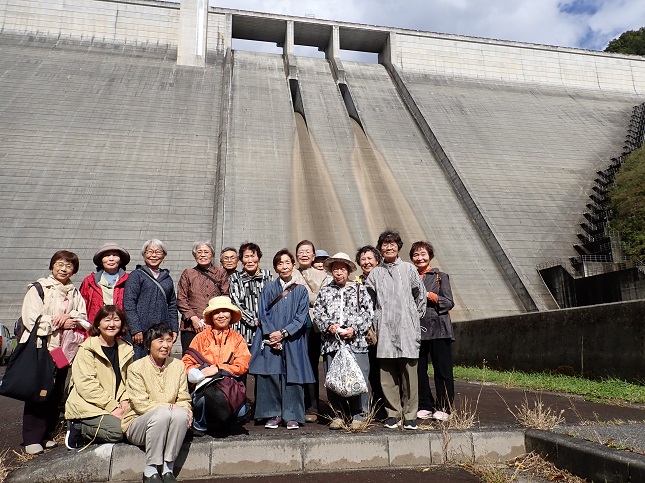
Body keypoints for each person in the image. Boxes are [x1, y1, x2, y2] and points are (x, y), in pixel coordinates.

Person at [19, 250, 88, 455]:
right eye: (59, 264)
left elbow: (83, 316)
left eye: (69, 266)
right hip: (43, 346)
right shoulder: (39, 288)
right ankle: (32, 437)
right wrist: (55, 320)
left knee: (56, 389)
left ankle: (47, 434)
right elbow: (31, 319)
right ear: (51, 266)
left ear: (74, 270)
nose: (63, 269)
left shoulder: (74, 292)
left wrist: (70, 317)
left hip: (61, 348)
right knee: (38, 390)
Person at [365, 230, 425, 430]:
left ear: (399, 246)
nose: (389, 247)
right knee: (387, 373)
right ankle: (393, 413)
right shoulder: (375, 273)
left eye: (392, 244)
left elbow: (420, 296)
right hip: (385, 329)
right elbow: (369, 301)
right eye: (385, 244)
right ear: (380, 248)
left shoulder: (409, 269)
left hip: (407, 327)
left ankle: (410, 414)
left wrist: (413, 317)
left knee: (410, 373)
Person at [249, 249, 314, 430]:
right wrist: (272, 335)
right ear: (275, 267)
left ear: (293, 265)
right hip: (270, 339)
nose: (284, 266)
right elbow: (263, 313)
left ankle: (292, 415)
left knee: (292, 376)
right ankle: (272, 413)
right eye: (280, 263)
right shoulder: (269, 287)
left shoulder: (301, 291)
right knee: (269, 374)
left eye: (287, 263)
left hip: (293, 339)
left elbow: (301, 317)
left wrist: (283, 333)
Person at [122, 324, 192, 483]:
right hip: (139, 424)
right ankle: (151, 469)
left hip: (169, 421)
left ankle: (168, 468)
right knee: (163, 413)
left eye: (169, 340)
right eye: (160, 341)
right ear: (148, 345)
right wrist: (168, 407)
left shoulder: (178, 365)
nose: (165, 345)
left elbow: (183, 397)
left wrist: (187, 411)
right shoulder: (136, 368)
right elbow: (140, 405)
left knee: (181, 413)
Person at [313, 253, 373, 430]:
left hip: (356, 342)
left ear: (348, 270)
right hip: (332, 343)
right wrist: (330, 326)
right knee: (334, 379)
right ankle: (337, 415)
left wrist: (353, 329)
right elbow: (318, 314)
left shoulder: (359, 289)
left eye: (342, 268)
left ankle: (360, 415)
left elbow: (368, 313)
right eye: (335, 268)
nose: (338, 272)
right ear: (331, 271)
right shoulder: (325, 291)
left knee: (359, 378)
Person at [65, 305, 134, 449]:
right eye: (107, 320)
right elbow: (87, 386)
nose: (112, 324)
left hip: (115, 404)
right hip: (89, 405)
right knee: (118, 432)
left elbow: (130, 380)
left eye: (116, 320)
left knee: (136, 426)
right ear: (98, 323)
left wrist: (125, 399)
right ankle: (78, 427)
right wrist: (113, 407)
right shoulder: (86, 349)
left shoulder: (126, 349)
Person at [182, 296, 251, 435]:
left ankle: (225, 423)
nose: (221, 315)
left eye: (225, 311)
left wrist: (218, 369)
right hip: (204, 386)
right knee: (201, 399)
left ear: (231, 315)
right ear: (211, 316)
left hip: (228, 387)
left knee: (241, 410)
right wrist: (200, 372)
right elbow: (186, 362)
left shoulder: (238, 339)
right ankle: (201, 424)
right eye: (216, 312)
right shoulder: (200, 338)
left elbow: (243, 364)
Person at [410, 241, 456, 422]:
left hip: (439, 329)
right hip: (417, 330)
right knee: (419, 370)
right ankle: (425, 405)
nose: (419, 258)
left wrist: (431, 296)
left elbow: (448, 302)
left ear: (430, 256)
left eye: (423, 254)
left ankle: (444, 406)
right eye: (416, 255)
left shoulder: (440, 276)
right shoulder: (410, 276)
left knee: (442, 370)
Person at [123, 239, 178, 360]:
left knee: (160, 364)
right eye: (150, 252)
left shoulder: (167, 278)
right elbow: (129, 303)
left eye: (158, 252)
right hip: (141, 333)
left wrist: (174, 328)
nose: (154, 255)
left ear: (163, 255)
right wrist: (135, 328)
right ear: (144, 255)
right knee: (139, 364)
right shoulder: (136, 275)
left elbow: (172, 305)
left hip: (161, 332)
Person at [295, 240, 329, 423]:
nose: (305, 254)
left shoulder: (321, 275)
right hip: (293, 327)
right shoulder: (289, 272)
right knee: (294, 365)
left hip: (313, 326)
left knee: (311, 365)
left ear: (314, 256)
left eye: (308, 251)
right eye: (301, 251)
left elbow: (321, 299)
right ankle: (295, 405)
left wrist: (302, 292)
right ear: (296, 255)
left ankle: (312, 406)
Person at [177, 241, 230, 354]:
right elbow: (181, 299)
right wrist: (194, 318)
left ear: (212, 255)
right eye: (199, 252)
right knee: (190, 360)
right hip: (190, 327)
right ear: (195, 255)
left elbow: (225, 297)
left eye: (206, 252)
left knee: (212, 360)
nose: (203, 255)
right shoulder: (188, 273)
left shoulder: (220, 273)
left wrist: (212, 320)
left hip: (214, 325)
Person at [354, 245, 386, 418]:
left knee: (386, 372)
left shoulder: (384, 278)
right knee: (371, 371)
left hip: (385, 331)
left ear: (377, 260)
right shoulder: (357, 282)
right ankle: (375, 408)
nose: (366, 262)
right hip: (367, 334)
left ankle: (388, 406)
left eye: (369, 259)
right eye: (363, 259)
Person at [228, 242, 273, 346]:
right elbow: (236, 303)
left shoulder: (267, 276)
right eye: (246, 257)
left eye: (253, 256)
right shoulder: (234, 278)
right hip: (242, 329)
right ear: (241, 260)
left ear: (259, 258)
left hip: (264, 328)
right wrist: (253, 320)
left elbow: (271, 300)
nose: (250, 260)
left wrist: (264, 321)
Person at [80, 242, 130, 325]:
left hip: (122, 327)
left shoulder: (129, 279)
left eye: (115, 255)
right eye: (107, 256)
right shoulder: (89, 281)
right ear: (101, 260)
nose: (111, 259)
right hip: (96, 326)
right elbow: (82, 305)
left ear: (120, 260)